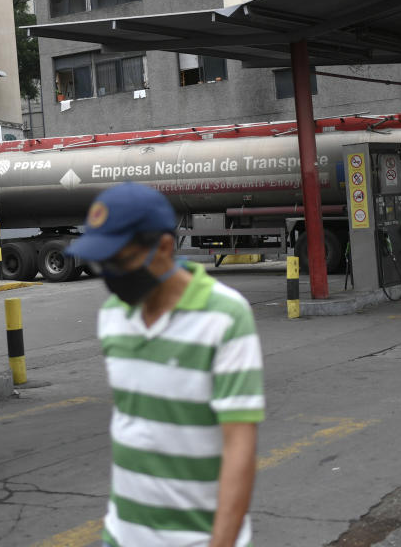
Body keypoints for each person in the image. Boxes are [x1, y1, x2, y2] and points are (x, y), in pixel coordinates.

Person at [66, 182, 264, 547]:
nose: (111, 274)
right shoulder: (113, 315)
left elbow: (240, 446)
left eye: (120, 261)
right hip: (122, 535)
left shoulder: (225, 316)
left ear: (164, 247)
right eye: (101, 263)